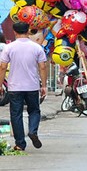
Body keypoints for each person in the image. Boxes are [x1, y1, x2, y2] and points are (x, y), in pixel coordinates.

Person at [0, 22, 47, 151]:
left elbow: (3, 67)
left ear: (15, 32)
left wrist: (0, 85)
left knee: (16, 114)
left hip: (15, 86)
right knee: (34, 110)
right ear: (28, 31)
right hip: (32, 86)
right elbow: (42, 67)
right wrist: (44, 85)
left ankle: (20, 144)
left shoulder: (9, 48)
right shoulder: (37, 48)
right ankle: (32, 131)